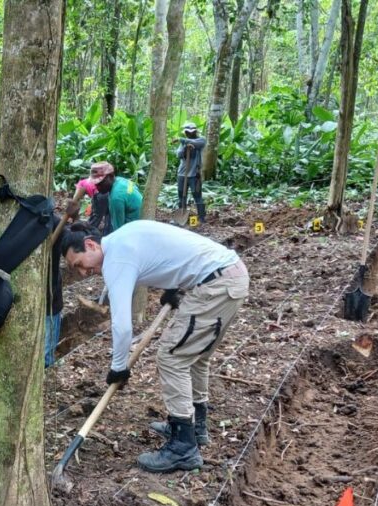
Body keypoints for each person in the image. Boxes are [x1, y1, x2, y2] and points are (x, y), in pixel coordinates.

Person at [61, 220, 250, 473]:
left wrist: (118, 367)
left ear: (90, 244)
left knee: (172, 357)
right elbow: (168, 249)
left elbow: (122, 326)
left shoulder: (116, 259)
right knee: (194, 356)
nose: (83, 272)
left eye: (79, 264)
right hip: (228, 276)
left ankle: (183, 447)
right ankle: (195, 427)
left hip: (215, 285)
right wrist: (174, 286)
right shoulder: (124, 236)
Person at [63, 161, 142, 236]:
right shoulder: (120, 180)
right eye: (96, 184)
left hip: (133, 227)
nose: (97, 187)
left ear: (110, 176)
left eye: (100, 183)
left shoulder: (116, 198)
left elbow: (118, 230)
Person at [174, 122, 207, 221]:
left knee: (197, 195)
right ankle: (182, 214)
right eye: (187, 132)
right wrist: (186, 148)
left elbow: (199, 144)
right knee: (181, 195)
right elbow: (179, 155)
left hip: (194, 175)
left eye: (191, 132)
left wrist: (184, 141)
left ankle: (201, 217)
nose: (189, 134)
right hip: (182, 174)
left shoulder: (201, 140)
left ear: (195, 132)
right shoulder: (183, 143)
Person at [45, 214, 64, 367]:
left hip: (50, 295)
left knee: (46, 352)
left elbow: (72, 243)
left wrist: (72, 221)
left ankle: (47, 367)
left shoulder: (56, 223)